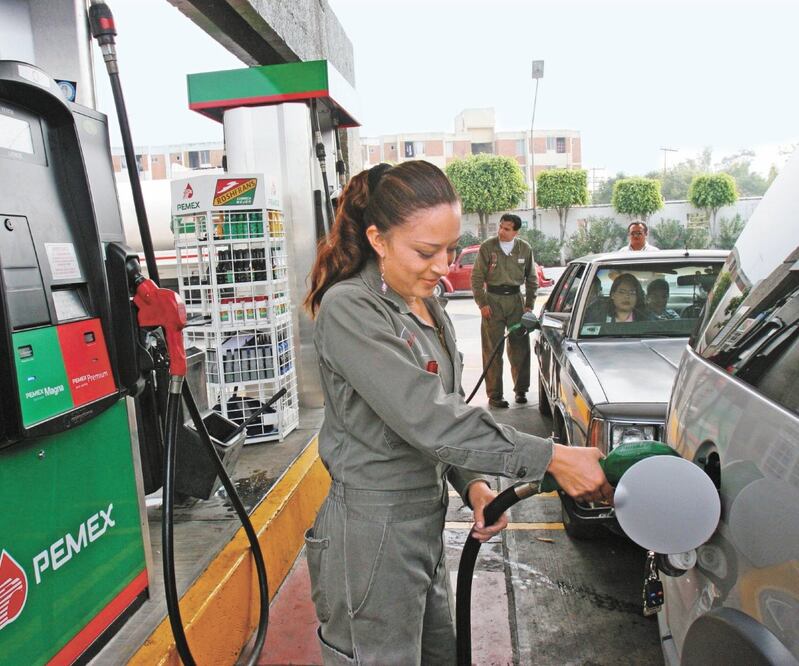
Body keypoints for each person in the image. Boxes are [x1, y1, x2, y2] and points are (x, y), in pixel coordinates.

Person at [304, 161, 612, 665]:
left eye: (450, 249)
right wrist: (552, 457)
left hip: (424, 524)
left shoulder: (427, 305)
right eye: (426, 252)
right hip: (371, 532)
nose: (443, 266)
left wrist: (473, 485)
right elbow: (427, 418)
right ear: (378, 240)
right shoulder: (350, 309)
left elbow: (446, 411)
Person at [470, 213, 538, 408]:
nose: (501, 231)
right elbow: (476, 277)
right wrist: (482, 303)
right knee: (492, 349)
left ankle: (521, 390)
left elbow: (532, 279)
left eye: (507, 229)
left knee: (520, 348)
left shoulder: (524, 249)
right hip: (493, 300)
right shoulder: (487, 247)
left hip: (516, 301)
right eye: (500, 227)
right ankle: (495, 395)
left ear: (516, 232)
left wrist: (529, 305)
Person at [585, 273, 651, 323]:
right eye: (622, 292)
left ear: (637, 297)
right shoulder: (596, 317)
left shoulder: (647, 319)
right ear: (613, 295)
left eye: (632, 292)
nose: (627, 296)